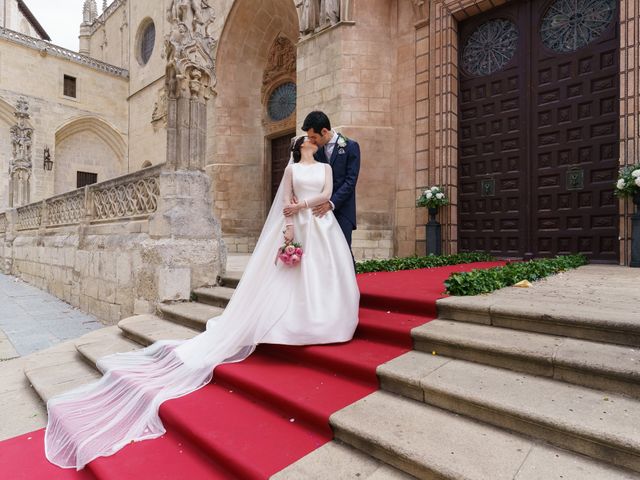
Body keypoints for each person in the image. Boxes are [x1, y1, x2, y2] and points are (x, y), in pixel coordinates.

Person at [44, 136, 360, 470]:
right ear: (299, 146)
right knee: (290, 281)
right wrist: (290, 225)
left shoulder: (325, 166)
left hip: (321, 225)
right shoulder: (292, 168)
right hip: (299, 224)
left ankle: (325, 317)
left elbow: (326, 193)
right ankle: (291, 321)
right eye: (306, 139)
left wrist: (305, 208)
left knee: (325, 274)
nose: (310, 140)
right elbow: (284, 202)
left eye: (313, 137)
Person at [301, 111, 360, 262]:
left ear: (324, 131)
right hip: (319, 211)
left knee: (343, 253)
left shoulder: (351, 147)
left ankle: (349, 286)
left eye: (313, 137)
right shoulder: (315, 150)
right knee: (323, 255)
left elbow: (350, 181)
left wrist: (331, 203)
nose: (311, 141)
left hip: (342, 210)